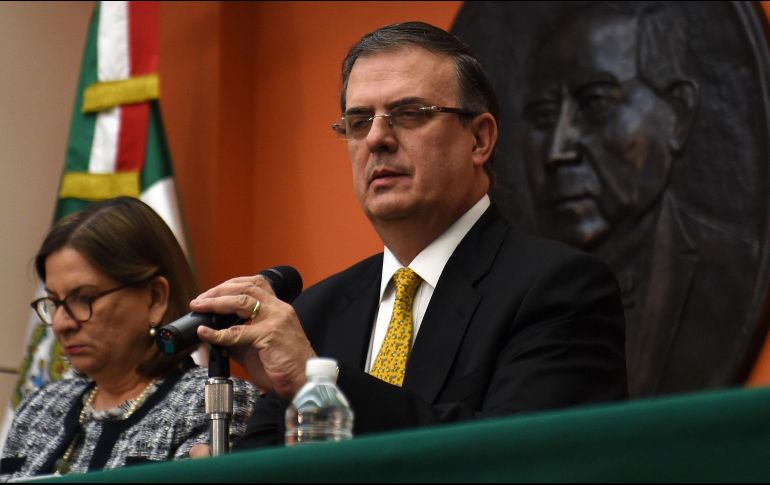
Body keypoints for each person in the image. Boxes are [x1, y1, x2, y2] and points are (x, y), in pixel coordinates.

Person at [191, 21, 627, 450]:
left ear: (479, 140)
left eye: (410, 114)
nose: (376, 138)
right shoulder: (315, 313)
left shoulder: (560, 289)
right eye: (359, 121)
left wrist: (322, 384)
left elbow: (523, 456)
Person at [520, 6, 756, 396]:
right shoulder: (497, 298)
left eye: (595, 104)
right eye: (544, 116)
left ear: (678, 115)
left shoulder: (728, 269)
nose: (558, 150)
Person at [1, 197, 259, 479]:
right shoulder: (40, 406)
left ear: (155, 298)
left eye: (84, 298)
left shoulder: (210, 401)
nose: (62, 324)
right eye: (54, 302)